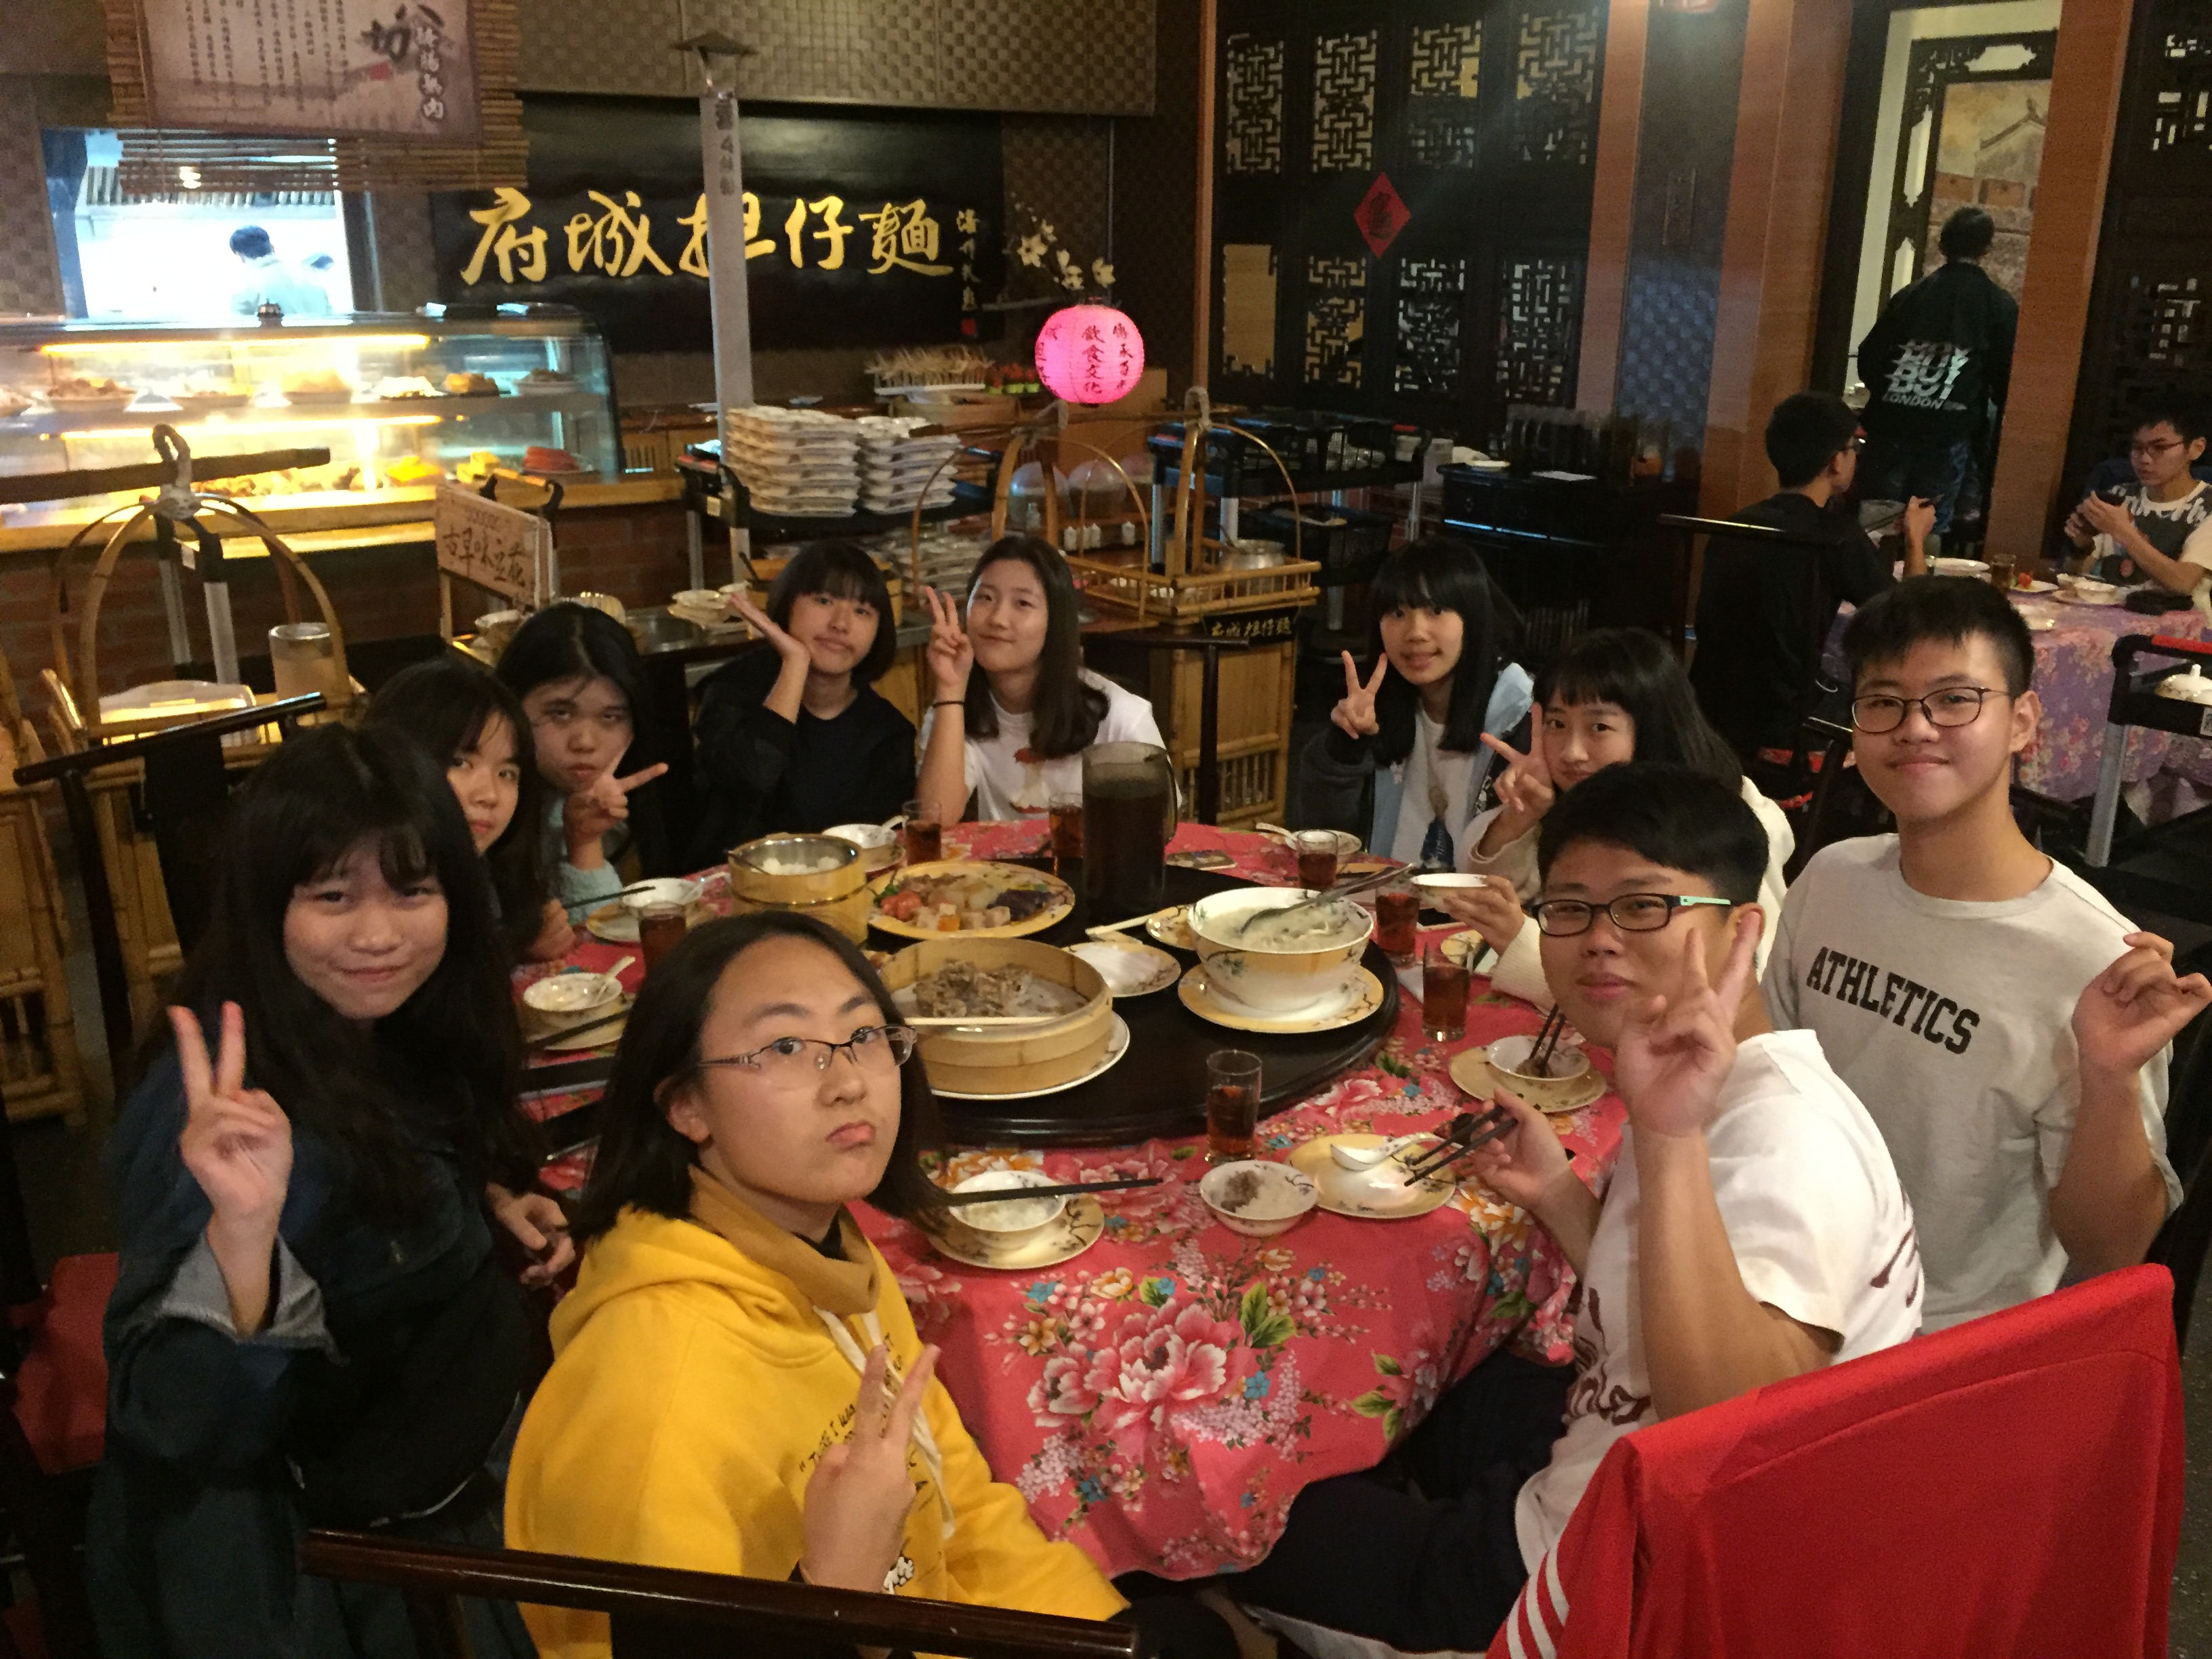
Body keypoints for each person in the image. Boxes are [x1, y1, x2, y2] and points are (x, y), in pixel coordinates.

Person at [1226, 763, 1920, 1652]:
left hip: (1608, 1580)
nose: (1598, 940)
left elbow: (1741, 1437)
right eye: (1570, 909)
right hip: (1605, 1444)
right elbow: (1664, 1300)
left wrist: (1667, 1135)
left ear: (1744, 927)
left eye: (1643, 906)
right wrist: (1559, 1195)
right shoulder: (1760, 1079)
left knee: (1237, 1515)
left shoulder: (1786, 1144)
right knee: (1420, 1376)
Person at [505, 912, 1235, 1659]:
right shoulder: (652, 1409)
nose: (850, 1082)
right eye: (785, 1046)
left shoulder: (819, 1250)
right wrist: (836, 1595)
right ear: (685, 1105)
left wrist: (1088, 1629)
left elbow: (956, 1496)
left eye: (863, 1035)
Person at [87, 724, 573, 1659]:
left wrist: (478, 1204)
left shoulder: (373, 1020)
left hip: (469, 1482)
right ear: (267, 904)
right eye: (333, 896)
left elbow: (385, 1167)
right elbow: (174, 1420)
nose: (378, 935)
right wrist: (241, 1240)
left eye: (412, 891)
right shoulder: (220, 1104)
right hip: (355, 1578)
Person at [1764, 578, 2206, 1330]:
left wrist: (2108, 1076)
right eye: (1883, 702)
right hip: (1790, 1287)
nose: (1915, 728)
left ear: (2022, 722)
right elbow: (1770, 1085)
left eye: (1954, 699)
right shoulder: (1832, 878)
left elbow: (2113, 1250)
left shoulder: (2095, 960)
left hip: (1940, 1343)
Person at [1435, 627, 1793, 1004]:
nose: (1572, 752)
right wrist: (1522, 816)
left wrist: (1523, 947)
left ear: (1653, 727)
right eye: (1557, 724)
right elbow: (1493, 895)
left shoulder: (1725, 823)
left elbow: (1741, 989)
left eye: (1599, 727)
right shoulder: (1584, 802)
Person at [1689, 390, 1932, 773]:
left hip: (1711, 718)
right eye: (1854, 448)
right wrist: (1916, 538)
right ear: (1836, 461)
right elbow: (1913, 619)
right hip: (1787, 732)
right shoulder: (1834, 536)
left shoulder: (1734, 526)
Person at [1298, 537, 1531, 867]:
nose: (1415, 633)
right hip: (1383, 894)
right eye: (1397, 612)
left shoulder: (1522, 717)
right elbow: (1325, 837)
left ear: (1473, 618)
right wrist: (1346, 745)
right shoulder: (1380, 706)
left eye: (1436, 611)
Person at [687, 544, 916, 865]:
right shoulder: (731, 691)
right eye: (824, 600)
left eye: (862, 611)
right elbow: (750, 778)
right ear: (788, 603)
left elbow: (884, 849)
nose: (841, 623)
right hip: (733, 886)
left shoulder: (887, 733)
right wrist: (795, 664)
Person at [915, 535, 1164, 824]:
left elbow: (1160, 826)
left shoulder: (1121, 717)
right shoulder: (955, 708)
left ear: (1055, 622)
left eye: (1022, 603)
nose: (998, 619)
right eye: (985, 598)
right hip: (1005, 856)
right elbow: (935, 820)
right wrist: (950, 688)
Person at [365, 655, 573, 962]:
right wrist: (508, 954)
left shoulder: (489, 880)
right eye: (460, 763)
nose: (489, 795)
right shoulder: (361, 890)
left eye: (506, 773)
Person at [495, 603, 672, 920]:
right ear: (511, 704)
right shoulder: (484, 805)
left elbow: (607, 932)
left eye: (611, 717)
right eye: (560, 713)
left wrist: (584, 842)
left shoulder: (636, 798)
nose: (585, 743)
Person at [1856, 205, 2019, 536]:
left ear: (1942, 244)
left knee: (1875, 523)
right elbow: (2006, 378)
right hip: (1948, 431)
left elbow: (1870, 357)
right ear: (1987, 249)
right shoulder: (1998, 304)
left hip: (1890, 424)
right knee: (1928, 525)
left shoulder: (1910, 296)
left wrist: (1893, 392)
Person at [2063, 394, 2212, 618]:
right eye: (2137, 448)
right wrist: (2080, 546)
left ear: (2196, 449)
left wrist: (2123, 532)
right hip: (2108, 619)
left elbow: (2183, 582)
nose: (2145, 459)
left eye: (2159, 448)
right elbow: (2075, 575)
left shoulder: (2206, 505)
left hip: (2177, 630)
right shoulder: (2119, 496)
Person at [227, 224, 333, 319]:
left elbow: (239, 331)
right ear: (272, 247)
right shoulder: (310, 277)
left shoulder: (246, 289)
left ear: (240, 256)